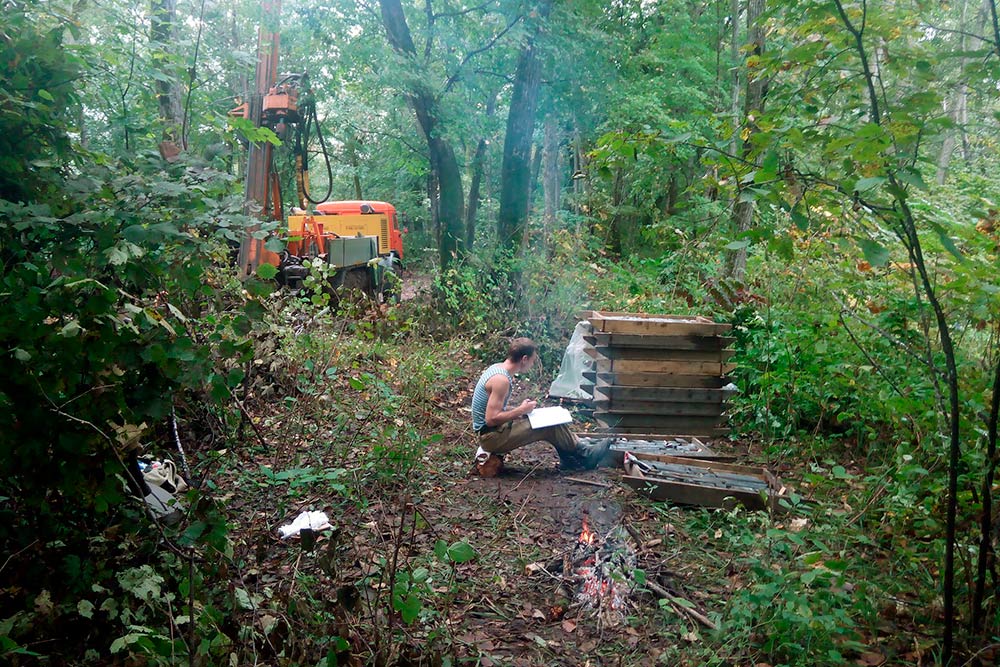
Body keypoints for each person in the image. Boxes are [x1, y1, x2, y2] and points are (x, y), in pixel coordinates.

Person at [470, 337, 601, 476]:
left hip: (495, 431)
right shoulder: (500, 380)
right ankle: (583, 456)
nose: (532, 364)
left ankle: (572, 457)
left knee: (552, 419)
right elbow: (491, 419)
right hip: (491, 438)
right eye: (532, 361)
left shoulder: (497, 368)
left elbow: (493, 411)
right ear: (524, 359)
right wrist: (521, 410)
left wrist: (521, 411)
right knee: (548, 426)